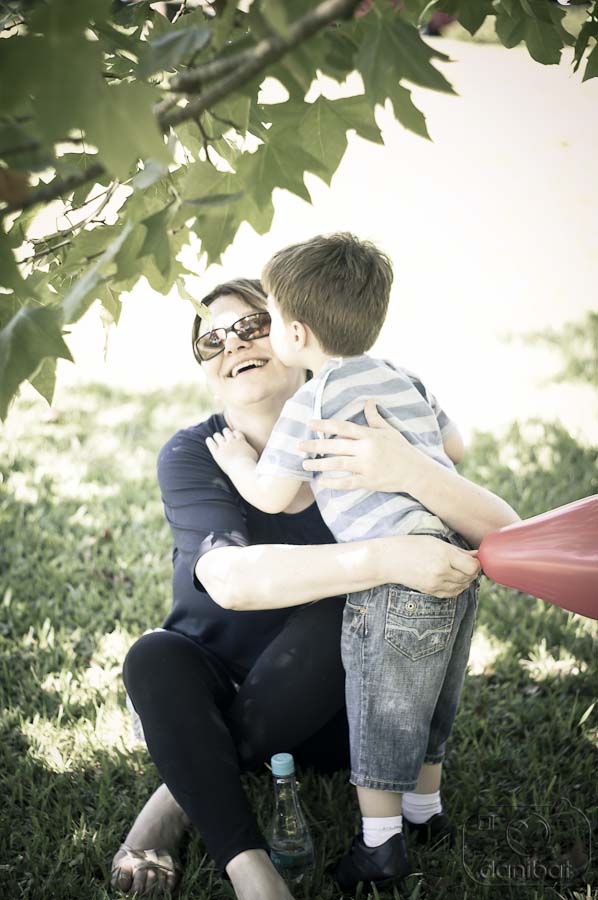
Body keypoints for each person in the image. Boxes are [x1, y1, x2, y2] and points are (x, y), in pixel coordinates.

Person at [111, 276, 518, 900]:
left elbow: (504, 533)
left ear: (293, 333)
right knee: (152, 657)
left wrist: (406, 467)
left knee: (343, 613)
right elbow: (228, 579)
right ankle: (253, 872)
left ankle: (185, 785)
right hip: (215, 680)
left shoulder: (361, 421)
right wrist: (384, 557)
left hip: (337, 705)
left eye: (250, 326)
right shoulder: (197, 453)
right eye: (211, 340)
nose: (231, 345)